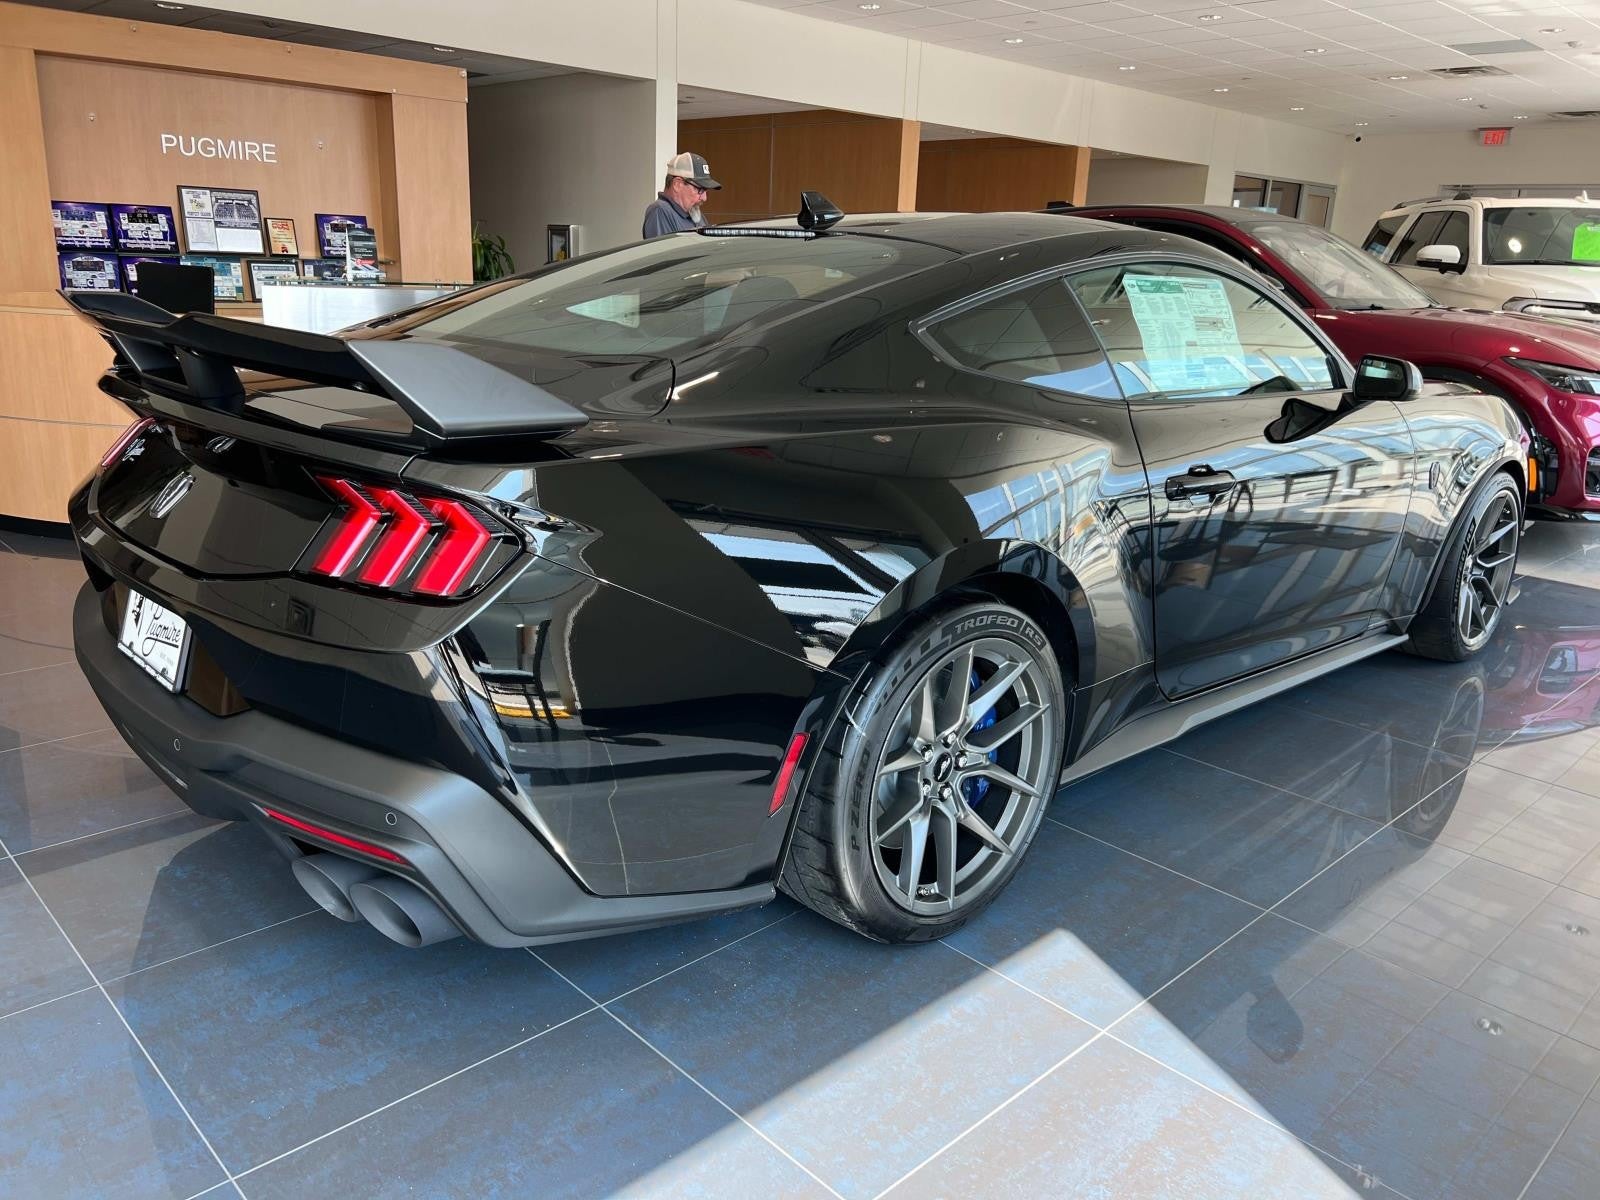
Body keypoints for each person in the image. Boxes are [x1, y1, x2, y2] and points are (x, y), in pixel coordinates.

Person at [642, 152, 722, 238]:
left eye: (705, 190)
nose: (704, 198)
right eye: (700, 189)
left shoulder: (695, 213)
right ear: (677, 184)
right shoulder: (660, 211)